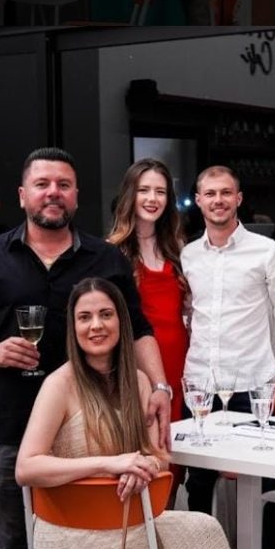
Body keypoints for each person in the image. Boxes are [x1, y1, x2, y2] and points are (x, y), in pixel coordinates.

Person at [0, 147, 172, 549]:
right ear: (22, 194)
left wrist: (159, 387)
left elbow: (139, 330)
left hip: (91, 430)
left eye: (63, 185)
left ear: (76, 196)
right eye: (42, 184)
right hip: (11, 424)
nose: (53, 193)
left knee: (93, 534)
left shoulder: (106, 259)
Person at [15, 277, 239, 549]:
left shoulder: (139, 381)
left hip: (125, 523)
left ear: (121, 321)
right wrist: (109, 464)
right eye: (85, 317)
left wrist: (143, 466)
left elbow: (159, 457)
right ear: (73, 327)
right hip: (68, 537)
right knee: (199, 539)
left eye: (106, 314)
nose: (96, 325)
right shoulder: (59, 385)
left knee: (202, 531)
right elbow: (25, 468)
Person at [181, 165, 275, 549]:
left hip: (253, 387)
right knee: (198, 484)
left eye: (226, 193)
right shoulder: (187, 255)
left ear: (238, 199)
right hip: (201, 386)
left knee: (262, 485)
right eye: (210, 193)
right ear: (198, 201)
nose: (218, 200)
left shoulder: (267, 252)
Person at [107, 158, 190, 501]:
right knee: (148, 458)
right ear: (130, 194)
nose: (152, 199)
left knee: (174, 461)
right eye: (144, 190)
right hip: (140, 368)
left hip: (181, 368)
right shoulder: (113, 252)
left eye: (160, 191)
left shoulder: (178, 250)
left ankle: (168, 530)